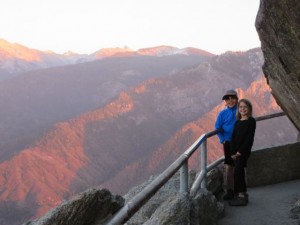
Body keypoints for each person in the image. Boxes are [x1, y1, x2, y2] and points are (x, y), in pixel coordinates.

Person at [229, 98, 256, 206]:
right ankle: (241, 194)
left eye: (245, 107)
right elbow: (233, 138)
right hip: (236, 153)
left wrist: (240, 152)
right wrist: (232, 152)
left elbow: (249, 138)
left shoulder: (251, 121)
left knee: (237, 171)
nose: (243, 109)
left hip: (244, 151)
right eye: (240, 107)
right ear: (238, 109)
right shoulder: (237, 123)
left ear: (249, 109)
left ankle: (241, 194)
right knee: (238, 171)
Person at [215, 89, 238, 200]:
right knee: (229, 166)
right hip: (228, 142)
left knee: (239, 165)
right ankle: (230, 190)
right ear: (225, 101)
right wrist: (222, 139)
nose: (230, 101)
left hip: (239, 141)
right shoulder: (222, 114)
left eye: (232, 98)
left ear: (236, 99)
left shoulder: (241, 110)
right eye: (228, 99)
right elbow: (217, 127)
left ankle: (238, 189)